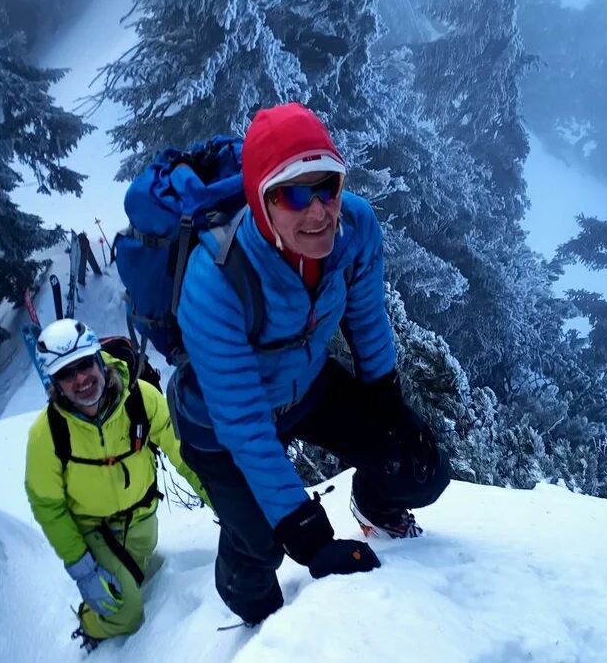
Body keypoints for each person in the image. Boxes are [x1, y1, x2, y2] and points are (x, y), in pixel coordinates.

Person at [167, 102, 451, 626]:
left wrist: (389, 406)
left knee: (418, 465)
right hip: (220, 422)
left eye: (328, 187)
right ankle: (257, 625)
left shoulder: (357, 227)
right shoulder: (215, 278)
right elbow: (244, 425)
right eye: (294, 194)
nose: (319, 211)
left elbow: (366, 319)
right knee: (263, 544)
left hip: (307, 385)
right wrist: (309, 534)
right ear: (260, 200)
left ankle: (377, 506)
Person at [23, 318, 209, 648]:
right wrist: (82, 569)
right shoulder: (46, 435)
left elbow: (185, 454)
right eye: (67, 373)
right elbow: (47, 506)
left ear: (99, 360)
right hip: (94, 529)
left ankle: (119, 584)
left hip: (142, 519)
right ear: (55, 383)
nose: (80, 379)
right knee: (127, 610)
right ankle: (90, 625)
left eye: (84, 365)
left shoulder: (141, 399)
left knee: (136, 575)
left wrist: (222, 501)